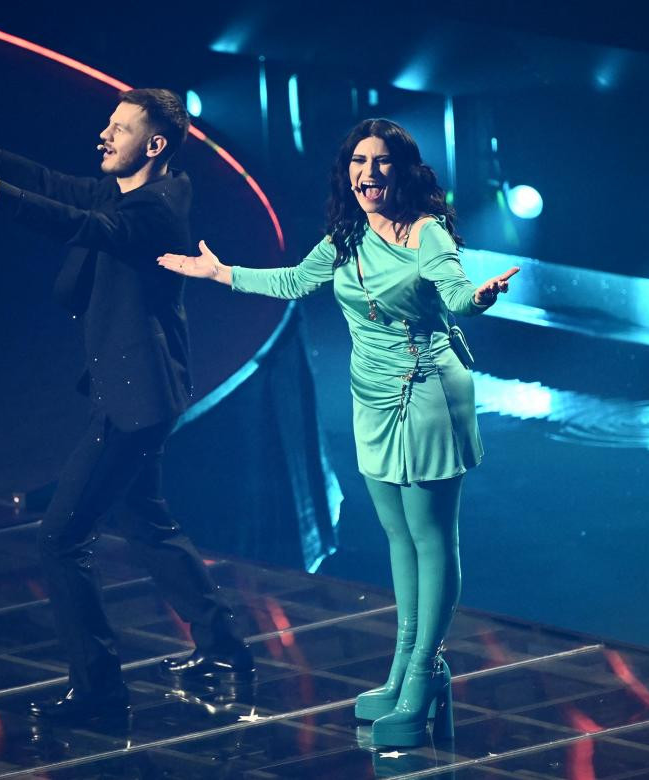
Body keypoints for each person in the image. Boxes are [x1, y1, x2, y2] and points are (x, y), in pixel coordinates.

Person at [158, 118, 518, 748]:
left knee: (431, 541)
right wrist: (222, 275)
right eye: (358, 161)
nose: (368, 173)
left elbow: (457, 296)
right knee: (397, 540)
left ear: (402, 172)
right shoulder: (345, 235)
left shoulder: (425, 233)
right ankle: (406, 668)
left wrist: (479, 300)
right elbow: (294, 281)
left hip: (428, 390)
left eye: (381, 163)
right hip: (370, 395)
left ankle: (424, 675)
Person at [0, 87, 252, 726]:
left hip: (137, 401)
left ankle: (99, 691)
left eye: (118, 129)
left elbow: (79, 224)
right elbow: (50, 183)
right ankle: (224, 649)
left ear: (154, 146)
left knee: (61, 539)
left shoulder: (155, 211)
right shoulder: (129, 193)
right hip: (132, 391)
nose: (102, 136)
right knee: (146, 519)